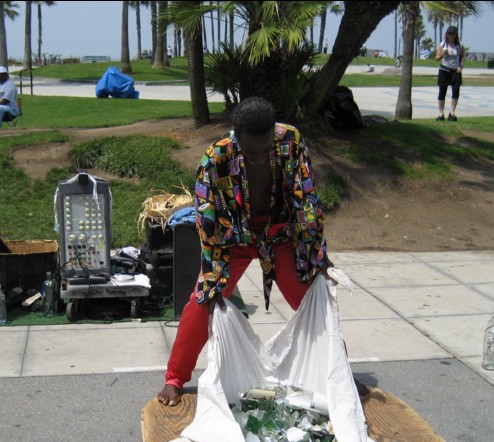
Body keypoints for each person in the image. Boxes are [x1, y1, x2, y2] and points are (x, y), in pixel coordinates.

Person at [155, 96, 368, 407]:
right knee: (202, 303)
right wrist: (213, 275)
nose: (260, 156)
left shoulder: (291, 141)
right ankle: (175, 378)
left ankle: (341, 373)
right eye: (251, 151)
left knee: (312, 302)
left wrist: (318, 256)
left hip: (279, 235)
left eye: (266, 149)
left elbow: (307, 200)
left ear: (274, 132)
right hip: (233, 240)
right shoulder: (214, 160)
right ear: (236, 136)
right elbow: (207, 220)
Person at [435, 25, 465, 121]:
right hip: (444, 70)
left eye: (453, 34)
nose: (451, 36)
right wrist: (442, 55)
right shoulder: (443, 44)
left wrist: (461, 66)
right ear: (446, 34)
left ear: (456, 35)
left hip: (455, 71)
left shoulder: (459, 45)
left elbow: (462, 56)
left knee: (456, 91)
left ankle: (452, 112)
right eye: (449, 33)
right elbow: (436, 58)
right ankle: (441, 113)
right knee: (442, 92)